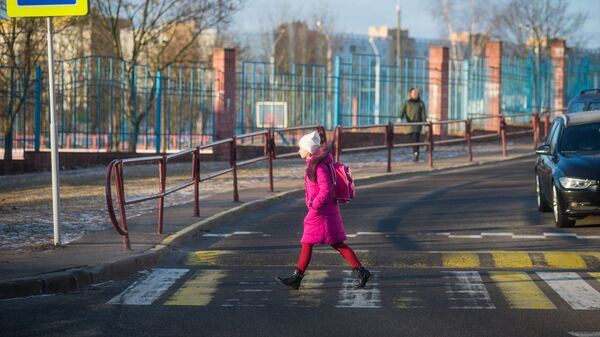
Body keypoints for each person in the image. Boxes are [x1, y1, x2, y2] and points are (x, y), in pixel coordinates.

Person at [276, 131, 371, 290]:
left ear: (309, 149)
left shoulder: (318, 167)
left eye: (301, 148)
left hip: (321, 212)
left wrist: (314, 206)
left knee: (308, 242)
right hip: (325, 211)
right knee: (336, 243)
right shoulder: (316, 164)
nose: (299, 151)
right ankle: (361, 271)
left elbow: (325, 190)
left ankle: (297, 277)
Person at [399, 87, 427, 162]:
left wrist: (425, 123)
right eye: (413, 93)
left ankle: (416, 153)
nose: (415, 94)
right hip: (410, 125)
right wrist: (400, 118)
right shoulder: (407, 103)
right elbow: (402, 111)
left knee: (416, 138)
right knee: (412, 139)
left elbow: (423, 114)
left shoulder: (421, 103)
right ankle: (415, 152)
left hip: (417, 124)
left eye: (416, 93)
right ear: (410, 94)